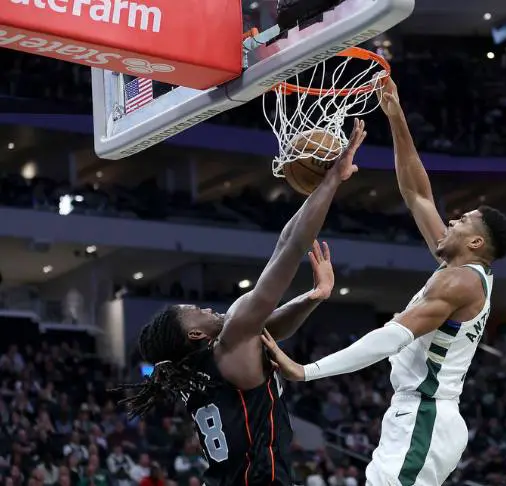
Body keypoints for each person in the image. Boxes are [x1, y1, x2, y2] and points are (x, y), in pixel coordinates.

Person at [261, 76, 506, 486]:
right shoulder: (460, 270)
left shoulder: (459, 284)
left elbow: (390, 337)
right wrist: (396, 117)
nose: (450, 220)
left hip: (426, 414)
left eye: (462, 220)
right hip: (418, 415)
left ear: (475, 241)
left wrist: (307, 370)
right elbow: (417, 194)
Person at [112, 119, 367, 486]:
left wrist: (314, 297)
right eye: (193, 312)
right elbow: (289, 247)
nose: (204, 308)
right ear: (196, 334)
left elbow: (271, 328)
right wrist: (332, 179)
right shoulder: (232, 334)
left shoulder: (211, 363)